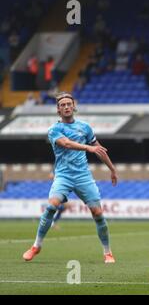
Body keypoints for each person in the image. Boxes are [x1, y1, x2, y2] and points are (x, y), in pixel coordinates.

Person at [22, 92, 118, 263]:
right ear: (58, 110)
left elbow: (99, 150)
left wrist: (112, 169)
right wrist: (88, 148)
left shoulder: (85, 127)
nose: (66, 107)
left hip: (83, 176)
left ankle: (107, 252)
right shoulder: (55, 130)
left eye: (69, 104)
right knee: (52, 206)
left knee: (98, 213)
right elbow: (66, 143)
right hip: (63, 175)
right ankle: (36, 246)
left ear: (74, 106)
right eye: (62, 105)